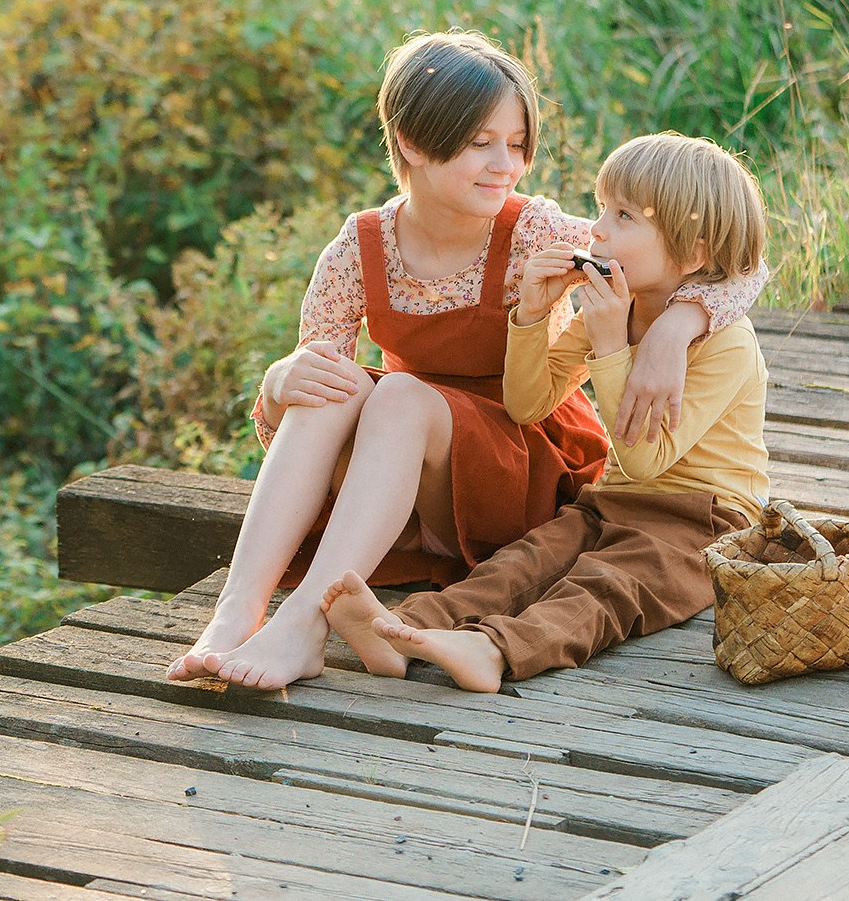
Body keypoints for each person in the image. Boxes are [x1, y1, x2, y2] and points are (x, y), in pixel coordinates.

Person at [168, 34, 765, 691]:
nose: (504, 163)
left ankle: (308, 620)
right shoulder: (358, 247)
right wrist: (279, 383)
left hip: (523, 467)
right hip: (415, 480)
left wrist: (676, 325)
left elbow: (733, 260)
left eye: (516, 143)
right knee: (328, 382)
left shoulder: (539, 232)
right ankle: (237, 611)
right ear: (412, 144)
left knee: (397, 395)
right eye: (481, 142)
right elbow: (305, 414)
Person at [322, 131, 769, 693]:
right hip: (612, 501)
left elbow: (647, 459)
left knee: (604, 587)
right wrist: (533, 315)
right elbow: (526, 404)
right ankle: (404, 627)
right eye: (604, 208)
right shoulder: (615, 309)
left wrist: (611, 348)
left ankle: (491, 651)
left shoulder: (726, 344)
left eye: (625, 216)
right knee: (524, 561)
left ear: (695, 252)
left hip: (707, 521)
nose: (599, 229)